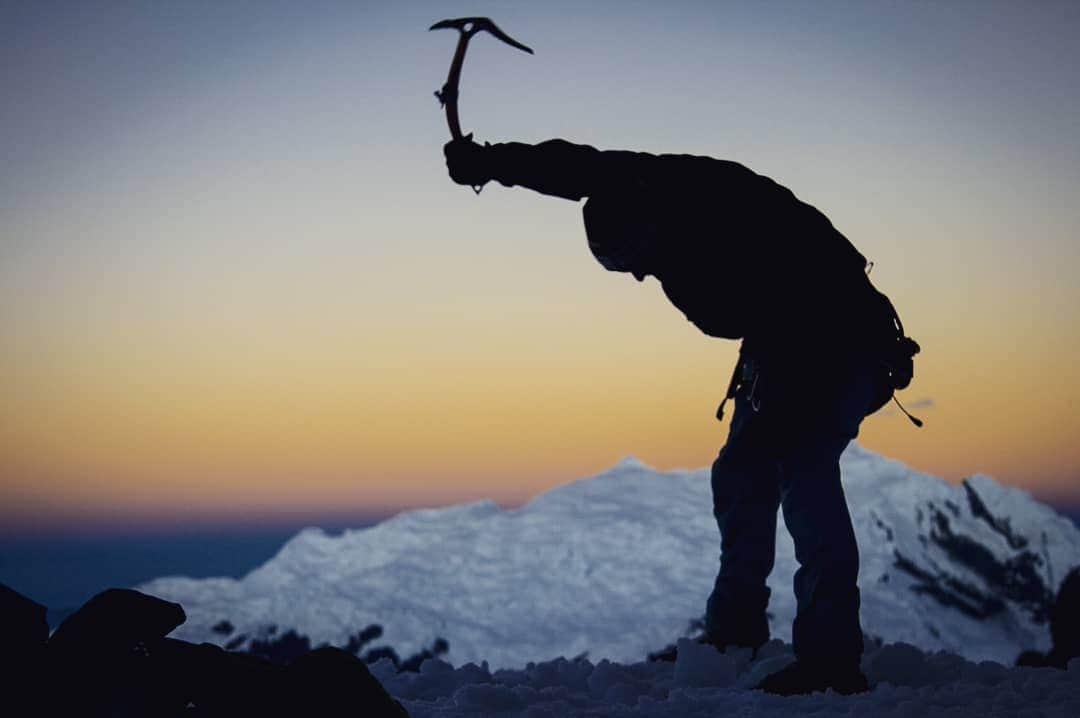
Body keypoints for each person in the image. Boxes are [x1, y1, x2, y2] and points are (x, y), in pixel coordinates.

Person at [442, 136, 919, 695]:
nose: (643, 276)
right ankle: (735, 631)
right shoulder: (649, 197)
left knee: (805, 472)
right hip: (785, 345)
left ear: (647, 227)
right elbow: (573, 168)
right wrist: (492, 163)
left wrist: (491, 163)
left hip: (836, 341)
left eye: (637, 262)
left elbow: (783, 300)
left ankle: (830, 658)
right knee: (742, 472)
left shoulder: (696, 196)